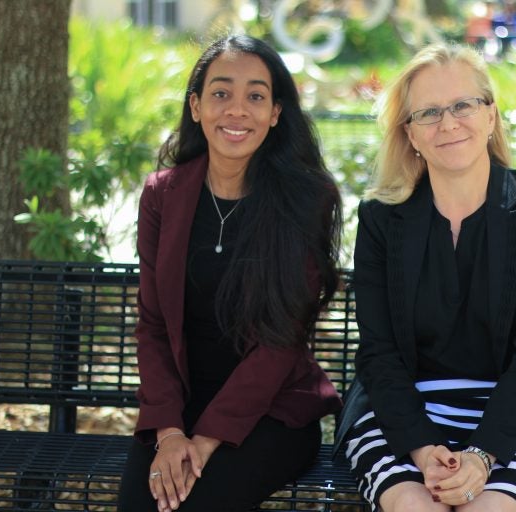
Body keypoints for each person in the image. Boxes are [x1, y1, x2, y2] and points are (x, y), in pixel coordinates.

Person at [335, 42, 516, 512]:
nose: (448, 122)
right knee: (415, 506)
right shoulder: (381, 219)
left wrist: (482, 455)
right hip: (400, 409)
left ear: (491, 115)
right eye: (429, 113)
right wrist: (420, 448)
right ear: (410, 134)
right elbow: (378, 352)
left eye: (463, 105)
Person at [119, 35, 343, 512]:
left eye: (256, 96)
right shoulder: (163, 195)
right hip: (181, 407)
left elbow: (282, 339)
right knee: (141, 506)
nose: (237, 110)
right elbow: (153, 323)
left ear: (276, 113)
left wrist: (208, 439)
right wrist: (171, 431)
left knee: (200, 504)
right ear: (196, 106)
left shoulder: (308, 199)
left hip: (272, 410)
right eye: (221, 93)